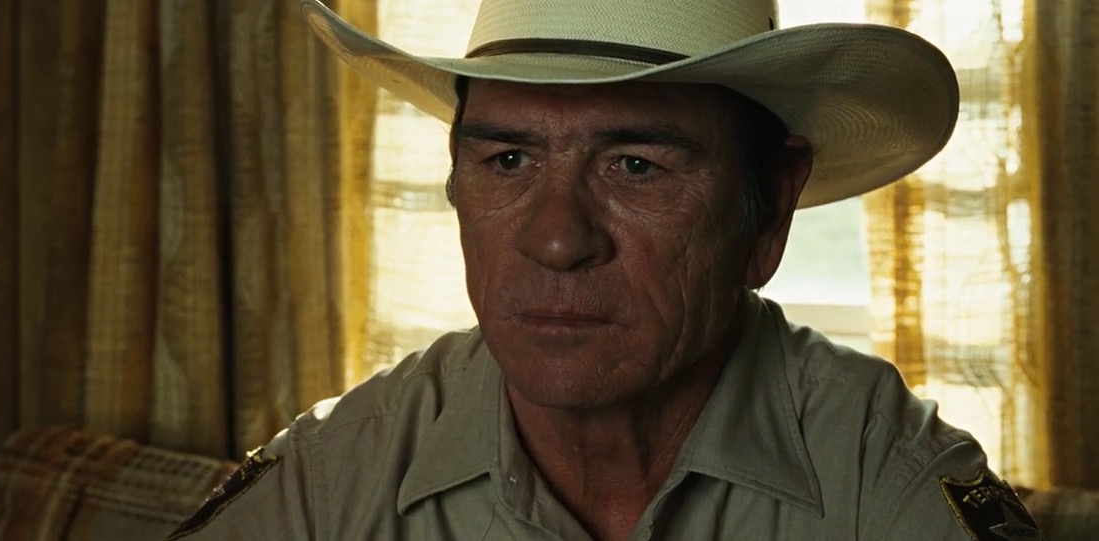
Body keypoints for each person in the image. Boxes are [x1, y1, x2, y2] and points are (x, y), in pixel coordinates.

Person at [168, 0, 1043, 539]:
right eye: (509, 160)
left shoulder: (883, 477)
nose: (557, 240)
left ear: (769, 209)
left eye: (636, 166)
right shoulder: (337, 471)